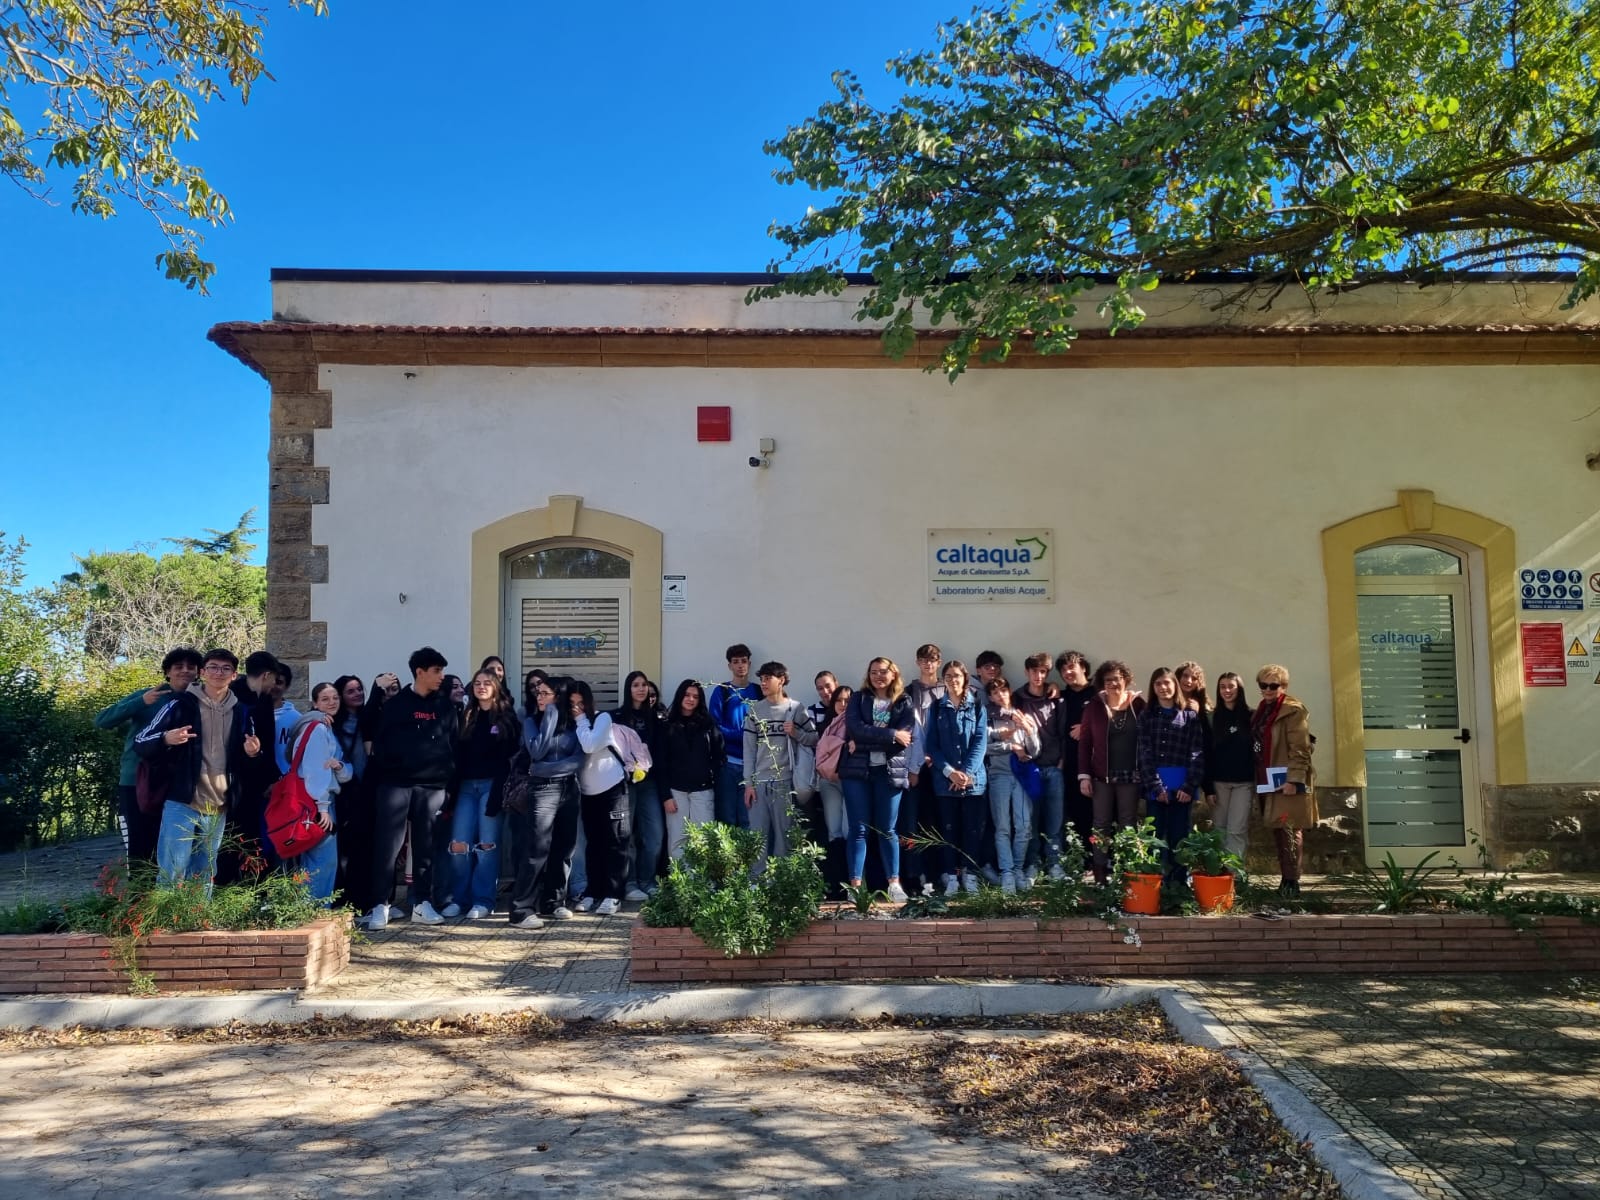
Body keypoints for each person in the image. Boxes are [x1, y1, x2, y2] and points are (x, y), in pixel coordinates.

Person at [133, 648, 264, 895]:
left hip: (219, 803)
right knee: (174, 867)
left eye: (226, 669)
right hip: (182, 799)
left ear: (234, 676)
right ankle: (165, 924)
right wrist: (165, 738)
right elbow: (141, 741)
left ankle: (197, 922)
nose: (219, 673)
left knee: (204, 869)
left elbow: (252, 762)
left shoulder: (242, 711)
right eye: (213, 667)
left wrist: (253, 753)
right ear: (202, 673)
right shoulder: (179, 704)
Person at [364, 646, 459, 930]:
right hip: (395, 785)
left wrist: (447, 782)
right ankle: (380, 904)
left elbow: (452, 744)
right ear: (420, 672)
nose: (441, 676)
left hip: (432, 787)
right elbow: (378, 742)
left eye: (442, 670)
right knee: (387, 847)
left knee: (425, 846)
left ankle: (422, 903)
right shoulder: (395, 705)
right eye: (436, 671)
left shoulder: (445, 706)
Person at [95, 646, 202, 862]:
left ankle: (171, 895)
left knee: (176, 850)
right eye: (178, 666)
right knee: (139, 849)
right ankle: (139, 895)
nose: (185, 671)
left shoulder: (202, 701)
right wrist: (140, 702)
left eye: (191, 667)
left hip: (178, 785)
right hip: (136, 781)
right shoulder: (150, 696)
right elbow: (102, 720)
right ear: (167, 672)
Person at [507, 675, 583, 926]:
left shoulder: (574, 725)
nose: (538, 697)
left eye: (545, 694)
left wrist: (547, 768)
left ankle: (553, 902)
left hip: (569, 789)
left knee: (564, 848)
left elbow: (578, 759)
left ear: (558, 697)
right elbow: (537, 753)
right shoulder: (531, 722)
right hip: (542, 791)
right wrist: (550, 715)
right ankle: (521, 909)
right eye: (538, 693)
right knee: (537, 848)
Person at [838, 657, 915, 901]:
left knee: (887, 830)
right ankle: (856, 886)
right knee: (858, 829)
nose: (878, 676)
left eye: (883, 672)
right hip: (857, 772)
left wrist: (862, 741)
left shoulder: (903, 701)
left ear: (893, 674)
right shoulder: (858, 699)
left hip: (890, 772)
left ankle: (894, 883)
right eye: (873, 672)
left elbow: (906, 738)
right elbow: (855, 729)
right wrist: (891, 734)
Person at [449, 669, 521, 919]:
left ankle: (483, 900)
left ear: (496, 687)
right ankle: (460, 898)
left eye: (487, 683)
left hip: (492, 786)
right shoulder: (465, 715)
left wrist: (497, 795)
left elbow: (508, 761)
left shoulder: (506, 718)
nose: (481, 687)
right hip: (466, 788)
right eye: (477, 683)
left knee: (487, 846)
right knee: (459, 845)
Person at [742, 661, 818, 874]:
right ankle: (756, 882)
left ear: (781, 680)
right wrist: (749, 783)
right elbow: (748, 750)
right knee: (758, 836)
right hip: (759, 783)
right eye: (762, 678)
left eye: (768, 678)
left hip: (786, 781)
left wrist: (796, 733)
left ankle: (782, 881)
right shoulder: (755, 710)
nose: (763, 683)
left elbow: (814, 739)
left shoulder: (796, 708)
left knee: (785, 835)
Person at [1252, 663, 1317, 897]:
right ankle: (1285, 879)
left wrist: (1294, 779)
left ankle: (1292, 881)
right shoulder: (1264, 708)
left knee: (1289, 828)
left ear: (1284, 686)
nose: (1268, 689)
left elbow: (1301, 748)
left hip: (1286, 778)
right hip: (1267, 776)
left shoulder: (1292, 710)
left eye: (1273, 685)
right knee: (1278, 829)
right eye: (1263, 685)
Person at [1078, 660, 1146, 884]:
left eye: (1117, 678)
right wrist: (1084, 775)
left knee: (1128, 823)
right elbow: (1085, 742)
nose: (1113, 683)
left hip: (1131, 776)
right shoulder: (1094, 706)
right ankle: (1100, 877)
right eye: (1108, 680)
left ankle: (1128, 873)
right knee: (1100, 825)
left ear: (1125, 679)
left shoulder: (1139, 705)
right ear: (1102, 683)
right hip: (1101, 776)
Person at [924, 660, 988, 895]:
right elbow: (931, 743)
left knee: (972, 830)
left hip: (974, 782)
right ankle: (951, 875)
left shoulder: (978, 705)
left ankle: (970, 874)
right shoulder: (936, 707)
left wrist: (966, 773)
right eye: (949, 676)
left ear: (965, 679)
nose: (953, 680)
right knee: (948, 829)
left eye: (957, 676)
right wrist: (950, 772)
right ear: (943, 680)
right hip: (945, 781)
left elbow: (980, 742)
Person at [1137, 667, 1206, 882]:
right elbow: (1144, 752)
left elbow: (1196, 752)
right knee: (1155, 837)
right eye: (1158, 683)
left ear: (1175, 685)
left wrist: (1189, 787)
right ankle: (1154, 883)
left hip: (1182, 788)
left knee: (1179, 837)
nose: (1163, 687)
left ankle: (1178, 884)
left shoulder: (1189, 716)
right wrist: (1156, 787)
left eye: (1167, 682)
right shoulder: (1147, 716)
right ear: (1153, 688)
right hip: (1156, 788)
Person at [217, 650, 280, 883]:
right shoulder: (237, 699)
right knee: (233, 836)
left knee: (253, 836)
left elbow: (268, 744)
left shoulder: (261, 700)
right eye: (274, 678)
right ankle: (227, 885)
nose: (274, 685)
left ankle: (252, 886)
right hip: (235, 779)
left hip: (254, 781)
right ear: (266, 675)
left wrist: (270, 778)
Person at [285, 682, 351, 903]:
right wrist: (322, 808)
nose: (332, 702)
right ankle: (317, 910)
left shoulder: (324, 727)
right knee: (321, 859)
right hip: (316, 802)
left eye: (335, 697)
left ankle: (312, 907)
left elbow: (343, 771)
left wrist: (340, 767)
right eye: (325, 699)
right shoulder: (318, 728)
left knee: (314, 858)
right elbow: (315, 771)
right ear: (315, 703)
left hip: (313, 800)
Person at [572, 680, 631, 916]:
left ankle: (613, 895)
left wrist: (580, 719)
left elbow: (590, 745)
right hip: (587, 792)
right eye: (572, 704)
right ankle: (593, 892)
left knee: (615, 843)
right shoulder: (575, 724)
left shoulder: (602, 718)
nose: (576, 708)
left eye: (580, 703)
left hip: (613, 788)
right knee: (593, 845)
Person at [984, 676, 1041, 894]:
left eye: (1003, 690)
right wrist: (1010, 746)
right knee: (1003, 827)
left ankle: (1017, 869)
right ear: (990, 696)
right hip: (998, 775)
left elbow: (1035, 751)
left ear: (1009, 692)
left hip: (1023, 776)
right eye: (995, 692)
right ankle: (1006, 872)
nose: (1000, 695)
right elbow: (985, 749)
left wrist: (1027, 729)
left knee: (1024, 826)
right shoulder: (989, 719)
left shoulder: (1023, 715)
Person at [615, 670, 667, 901]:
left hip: (650, 783)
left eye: (644, 684)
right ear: (628, 689)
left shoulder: (656, 717)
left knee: (654, 836)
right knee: (626, 835)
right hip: (624, 784)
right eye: (636, 684)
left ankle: (647, 880)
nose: (641, 688)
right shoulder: (617, 716)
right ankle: (630, 883)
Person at [1013, 652, 1064, 881]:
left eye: (1043, 672)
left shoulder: (1056, 699)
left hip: (1053, 767)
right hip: (1029, 769)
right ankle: (1032, 864)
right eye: (1034, 671)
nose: (1038, 676)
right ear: (1027, 672)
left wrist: (1062, 761)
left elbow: (1062, 732)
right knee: (1030, 820)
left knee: (1055, 819)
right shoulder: (1018, 698)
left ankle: (1054, 864)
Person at [660, 679, 724, 861]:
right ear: (680, 696)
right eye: (687, 695)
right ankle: (682, 887)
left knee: (703, 840)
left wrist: (709, 774)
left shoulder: (708, 725)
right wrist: (666, 796)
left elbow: (719, 755)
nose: (690, 699)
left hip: (702, 792)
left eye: (695, 696)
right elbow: (661, 763)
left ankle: (704, 885)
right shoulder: (667, 726)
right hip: (676, 792)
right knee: (677, 840)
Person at [901, 643, 944, 894]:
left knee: (936, 822)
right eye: (923, 659)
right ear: (917, 662)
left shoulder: (948, 689)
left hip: (940, 767)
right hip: (914, 767)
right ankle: (912, 877)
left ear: (939, 662)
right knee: (910, 822)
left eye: (933, 659)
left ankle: (937, 876)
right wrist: (916, 760)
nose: (928, 663)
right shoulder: (908, 692)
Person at [330, 673, 373, 912]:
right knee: (342, 849)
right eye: (350, 691)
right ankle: (340, 897)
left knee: (363, 847)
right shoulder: (334, 723)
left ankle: (361, 899)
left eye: (360, 689)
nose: (357, 694)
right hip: (342, 790)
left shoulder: (368, 718)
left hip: (365, 790)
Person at [708, 643, 760, 827]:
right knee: (727, 819)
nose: (740, 665)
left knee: (749, 820)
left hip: (754, 765)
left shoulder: (759, 691)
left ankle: (749, 857)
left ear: (749, 664)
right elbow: (714, 727)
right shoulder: (721, 691)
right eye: (735, 662)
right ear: (729, 665)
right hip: (727, 764)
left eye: (744, 661)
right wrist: (744, 735)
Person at [1209, 672, 1256, 867]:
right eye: (1222, 687)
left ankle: (1235, 876)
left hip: (1243, 782)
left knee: (1237, 829)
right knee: (1219, 830)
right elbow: (1206, 753)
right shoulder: (1212, 717)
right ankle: (1218, 874)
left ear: (1239, 689)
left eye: (1231, 686)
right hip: (1218, 782)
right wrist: (1208, 788)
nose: (1227, 691)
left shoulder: (1251, 716)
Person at [1054, 650, 1097, 862]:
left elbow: (1116, 721)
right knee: (1075, 812)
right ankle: (1082, 860)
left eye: (1071, 667)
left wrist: (1086, 728)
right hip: (1070, 764)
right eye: (1063, 670)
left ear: (1084, 669)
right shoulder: (1062, 697)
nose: (1067, 672)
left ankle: (1102, 859)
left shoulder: (1099, 693)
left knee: (1099, 814)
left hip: (1097, 766)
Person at [813, 683, 852, 892]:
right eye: (839, 700)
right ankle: (836, 884)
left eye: (847, 700)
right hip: (829, 781)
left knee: (850, 831)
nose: (843, 704)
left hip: (852, 782)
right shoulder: (827, 724)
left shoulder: (858, 724)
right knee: (833, 831)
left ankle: (854, 883)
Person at [270, 662, 301, 777]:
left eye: (278, 682)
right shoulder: (249, 714)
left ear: (286, 687)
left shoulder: (296, 719)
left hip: (285, 783)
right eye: (270, 681)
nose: (273, 686)